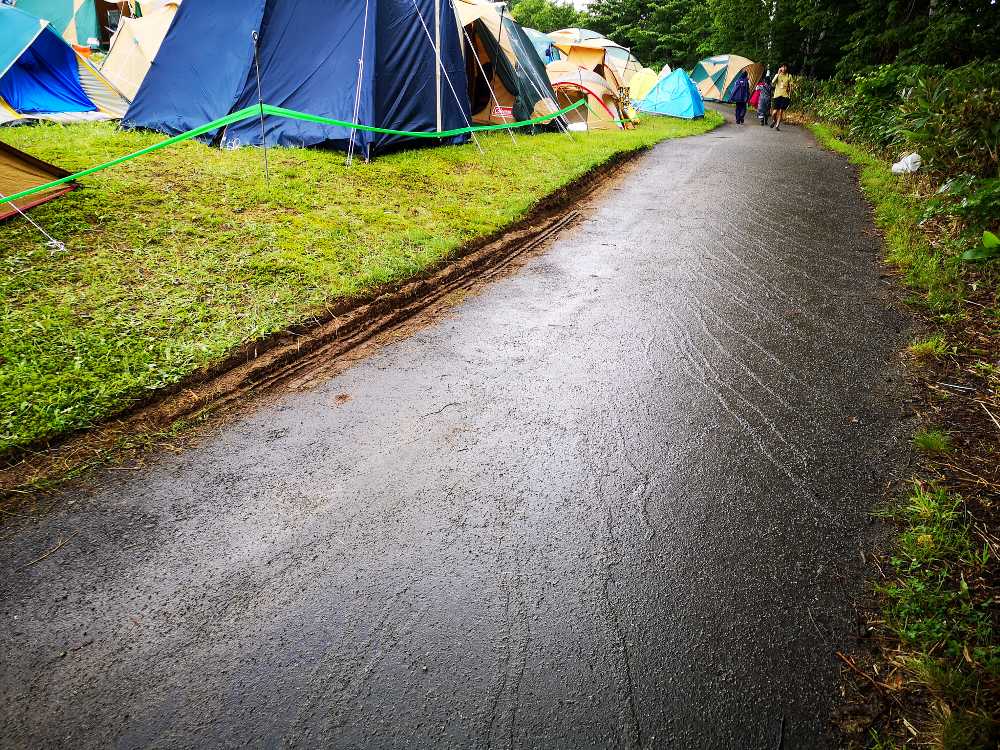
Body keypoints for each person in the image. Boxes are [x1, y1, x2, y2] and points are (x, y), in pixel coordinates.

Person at [770, 64, 792, 131]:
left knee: (781, 111)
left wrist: (790, 95)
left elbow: (791, 87)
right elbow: (772, 82)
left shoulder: (789, 76)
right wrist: (777, 73)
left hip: (785, 96)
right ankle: (774, 120)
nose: (784, 68)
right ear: (780, 68)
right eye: (782, 66)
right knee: (774, 112)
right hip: (777, 95)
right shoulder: (778, 75)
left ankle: (777, 126)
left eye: (785, 66)